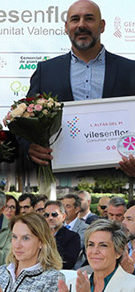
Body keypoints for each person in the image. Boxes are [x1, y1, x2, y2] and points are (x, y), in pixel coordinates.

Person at [23, 0, 135, 167]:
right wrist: (28, 148)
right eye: (75, 19)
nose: (81, 25)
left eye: (89, 19)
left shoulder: (130, 70)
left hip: (117, 170)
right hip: (62, 169)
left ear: (102, 26)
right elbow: (25, 122)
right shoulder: (45, 71)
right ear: (66, 27)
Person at [44, 200, 81, 269]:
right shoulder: (39, 235)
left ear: (63, 216)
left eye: (54, 214)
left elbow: (68, 263)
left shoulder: (72, 237)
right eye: (47, 215)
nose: (50, 218)